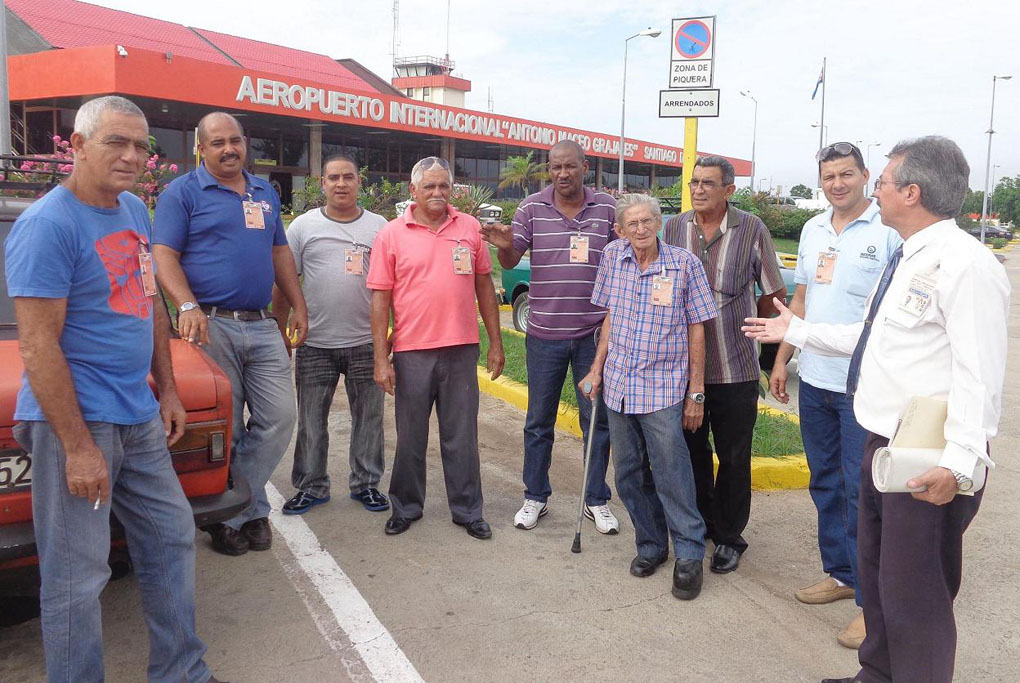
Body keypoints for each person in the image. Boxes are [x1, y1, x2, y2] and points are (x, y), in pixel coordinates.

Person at [743, 136, 1008, 683]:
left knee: (917, 594)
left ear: (912, 192)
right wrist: (797, 331)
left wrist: (959, 462)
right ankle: (878, 674)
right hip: (882, 440)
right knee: (882, 576)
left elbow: (979, 374)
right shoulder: (908, 256)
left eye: (883, 182)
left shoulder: (966, 265)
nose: (876, 191)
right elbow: (869, 338)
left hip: (926, 455)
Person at [5, 96, 219, 682]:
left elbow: (147, 303)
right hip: (77, 422)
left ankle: (181, 672)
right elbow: (37, 346)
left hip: (138, 412)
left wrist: (167, 390)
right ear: (76, 145)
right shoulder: (47, 226)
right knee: (77, 577)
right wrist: (77, 447)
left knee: (171, 538)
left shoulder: (132, 210)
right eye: (115, 142)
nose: (132, 156)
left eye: (140, 145)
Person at [153, 112, 305, 556]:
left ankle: (230, 511)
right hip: (210, 324)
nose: (228, 149)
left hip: (261, 323)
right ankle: (251, 513)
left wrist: (298, 303)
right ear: (201, 148)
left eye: (234, 140)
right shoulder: (181, 193)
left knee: (280, 418)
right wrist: (186, 305)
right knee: (228, 427)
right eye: (217, 143)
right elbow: (163, 255)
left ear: (245, 143)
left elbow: (280, 252)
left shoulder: (264, 192)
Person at [770, 143, 901, 649]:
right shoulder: (812, 229)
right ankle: (841, 573)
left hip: (863, 384)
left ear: (865, 176)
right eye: (829, 176)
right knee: (825, 482)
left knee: (862, 491)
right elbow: (801, 299)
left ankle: (872, 603)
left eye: (847, 174)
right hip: (816, 379)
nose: (838, 184)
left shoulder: (888, 230)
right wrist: (782, 359)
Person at [579, 194, 716, 600]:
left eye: (646, 221)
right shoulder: (612, 257)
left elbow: (697, 327)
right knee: (628, 474)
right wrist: (597, 368)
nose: (640, 230)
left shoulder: (683, 264)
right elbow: (610, 316)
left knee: (673, 474)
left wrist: (696, 391)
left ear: (659, 224)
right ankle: (652, 544)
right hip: (619, 385)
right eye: (631, 224)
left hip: (663, 388)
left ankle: (689, 553)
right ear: (620, 229)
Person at [480, 140, 619, 535]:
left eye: (569, 166)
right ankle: (535, 496)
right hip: (544, 336)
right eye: (555, 167)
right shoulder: (531, 208)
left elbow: (622, 258)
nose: (562, 174)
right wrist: (504, 247)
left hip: (593, 336)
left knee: (597, 421)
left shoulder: (607, 208)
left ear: (585, 168)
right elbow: (511, 257)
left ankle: (595, 499)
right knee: (539, 421)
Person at [367, 156, 504, 539]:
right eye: (429, 186)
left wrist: (495, 343)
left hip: (461, 349)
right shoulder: (392, 234)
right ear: (414, 190)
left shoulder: (469, 227)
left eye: (444, 185)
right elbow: (380, 298)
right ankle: (406, 507)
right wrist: (380, 359)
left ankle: (468, 510)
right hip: (412, 351)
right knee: (410, 437)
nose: (438, 192)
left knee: (462, 437)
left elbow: (484, 285)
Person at [662, 156, 786, 573]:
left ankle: (730, 537)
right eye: (694, 182)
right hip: (683, 369)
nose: (698, 190)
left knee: (734, 457)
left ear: (729, 190)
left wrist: (761, 344)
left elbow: (772, 294)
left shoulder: (751, 228)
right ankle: (701, 525)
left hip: (735, 368)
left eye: (708, 184)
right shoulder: (673, 228)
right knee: (692, 453)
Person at [271, 155, 389, 515]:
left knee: (369, 420)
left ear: (359, 182)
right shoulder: (303, 227)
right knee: (310, 422)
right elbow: (284, 281)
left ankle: (366, 484)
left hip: (365, 342)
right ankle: (311, 485)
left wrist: (393, 334)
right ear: (322, 183)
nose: (341, 184)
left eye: (348, 177)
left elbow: (393, 286)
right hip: (315, 343)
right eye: (333, 177)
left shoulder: (380, 227)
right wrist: (280, 331)